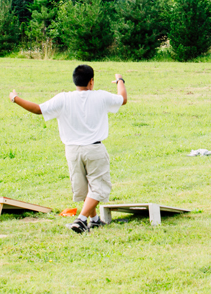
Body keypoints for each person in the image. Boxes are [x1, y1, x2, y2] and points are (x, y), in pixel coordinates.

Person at [9, 65, 127, 234]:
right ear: (91, 82)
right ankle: (81, 220)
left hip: (72, 150)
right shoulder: (100, 96)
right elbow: (122, 98)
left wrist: (15, 98)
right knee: (99, 187)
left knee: (85, 188)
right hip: (94, 149)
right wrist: (120, 80)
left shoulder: (63, 98)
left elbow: (37, 109)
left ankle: (94, 220)